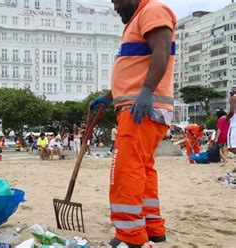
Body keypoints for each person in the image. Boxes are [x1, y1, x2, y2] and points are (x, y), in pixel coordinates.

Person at [89, 0, 176, 246]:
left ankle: (131, 236)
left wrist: (147, 91)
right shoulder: (138, 19)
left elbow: (162, 49)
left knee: (125, 171)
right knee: (143, 170)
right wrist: (108, 97)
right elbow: (135, 69)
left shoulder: (151, 11)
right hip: (139, 106)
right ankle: (152, 227)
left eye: (116, 0)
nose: (114, 5)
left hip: (140, 109)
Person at [227, 88, 236, 155]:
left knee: (231, 147)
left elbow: (232, 111)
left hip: (234, 125)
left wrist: (227, 118)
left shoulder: (233, 98)